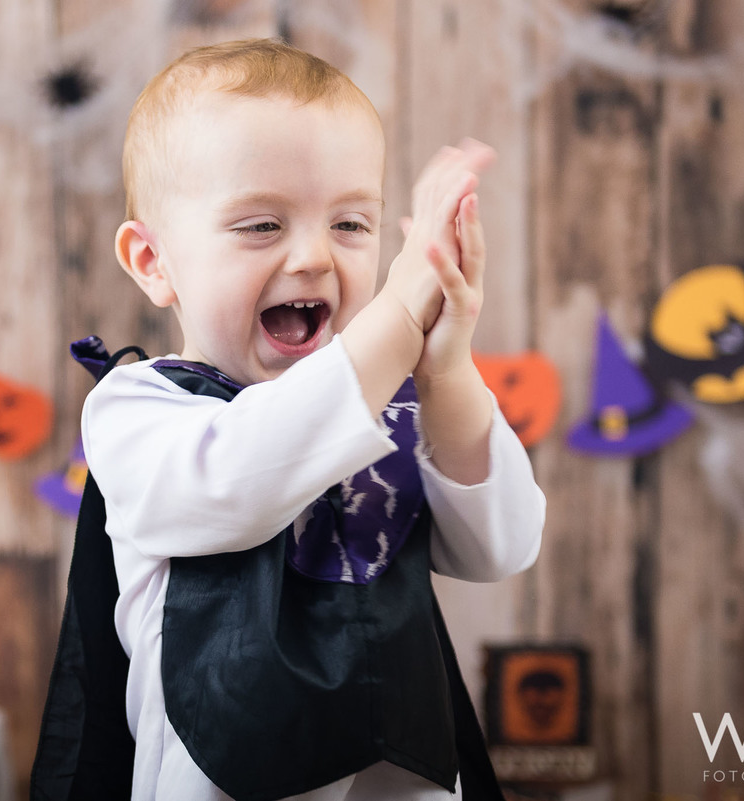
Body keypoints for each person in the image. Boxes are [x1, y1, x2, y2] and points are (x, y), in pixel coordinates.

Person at [31, 38, 546, 801]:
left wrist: (446, 371)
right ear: (153, 262)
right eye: (261, 226)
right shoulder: (140, 411)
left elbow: (499, 544)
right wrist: (400, 309)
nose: (312, 256)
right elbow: (241, 477)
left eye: (351, 225)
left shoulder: (389, 402)